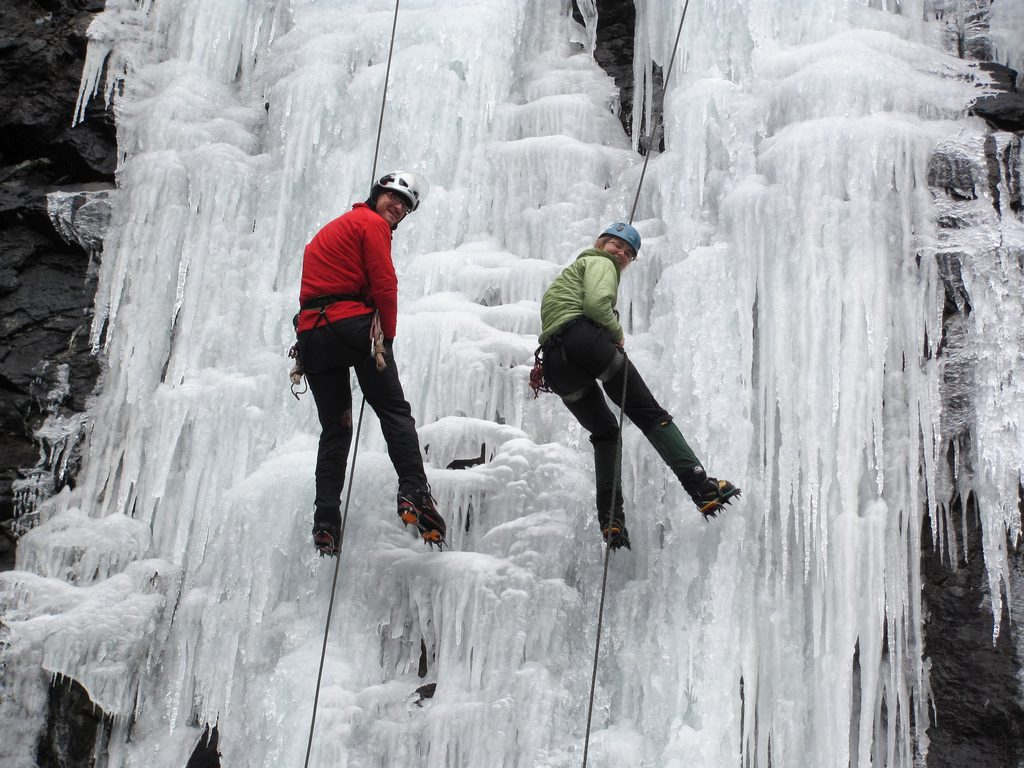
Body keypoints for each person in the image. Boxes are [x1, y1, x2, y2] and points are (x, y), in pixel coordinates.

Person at [538, 222, 740, 550]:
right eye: (617, 245)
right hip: (584, 340)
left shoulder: (569, 276)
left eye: (628, 253)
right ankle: (701, 487)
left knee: (605, 432)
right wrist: (616, 333)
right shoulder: (598, 262)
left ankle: (611, 518)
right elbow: (596, 305)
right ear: (601, 243)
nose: (621, 253)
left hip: (555, 365)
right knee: (648, 413)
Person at [294, 171, 446, 555]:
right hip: (353, 328)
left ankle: (325, 520)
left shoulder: (330, 232)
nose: (397, 207)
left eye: (404, 205)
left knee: (336, 429)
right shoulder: (371, 224)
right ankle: (414, 492)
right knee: (394, 411)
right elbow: (384, 282)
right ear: (376, 196)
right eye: (392, 198)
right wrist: (386, 339)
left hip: (312, 336)